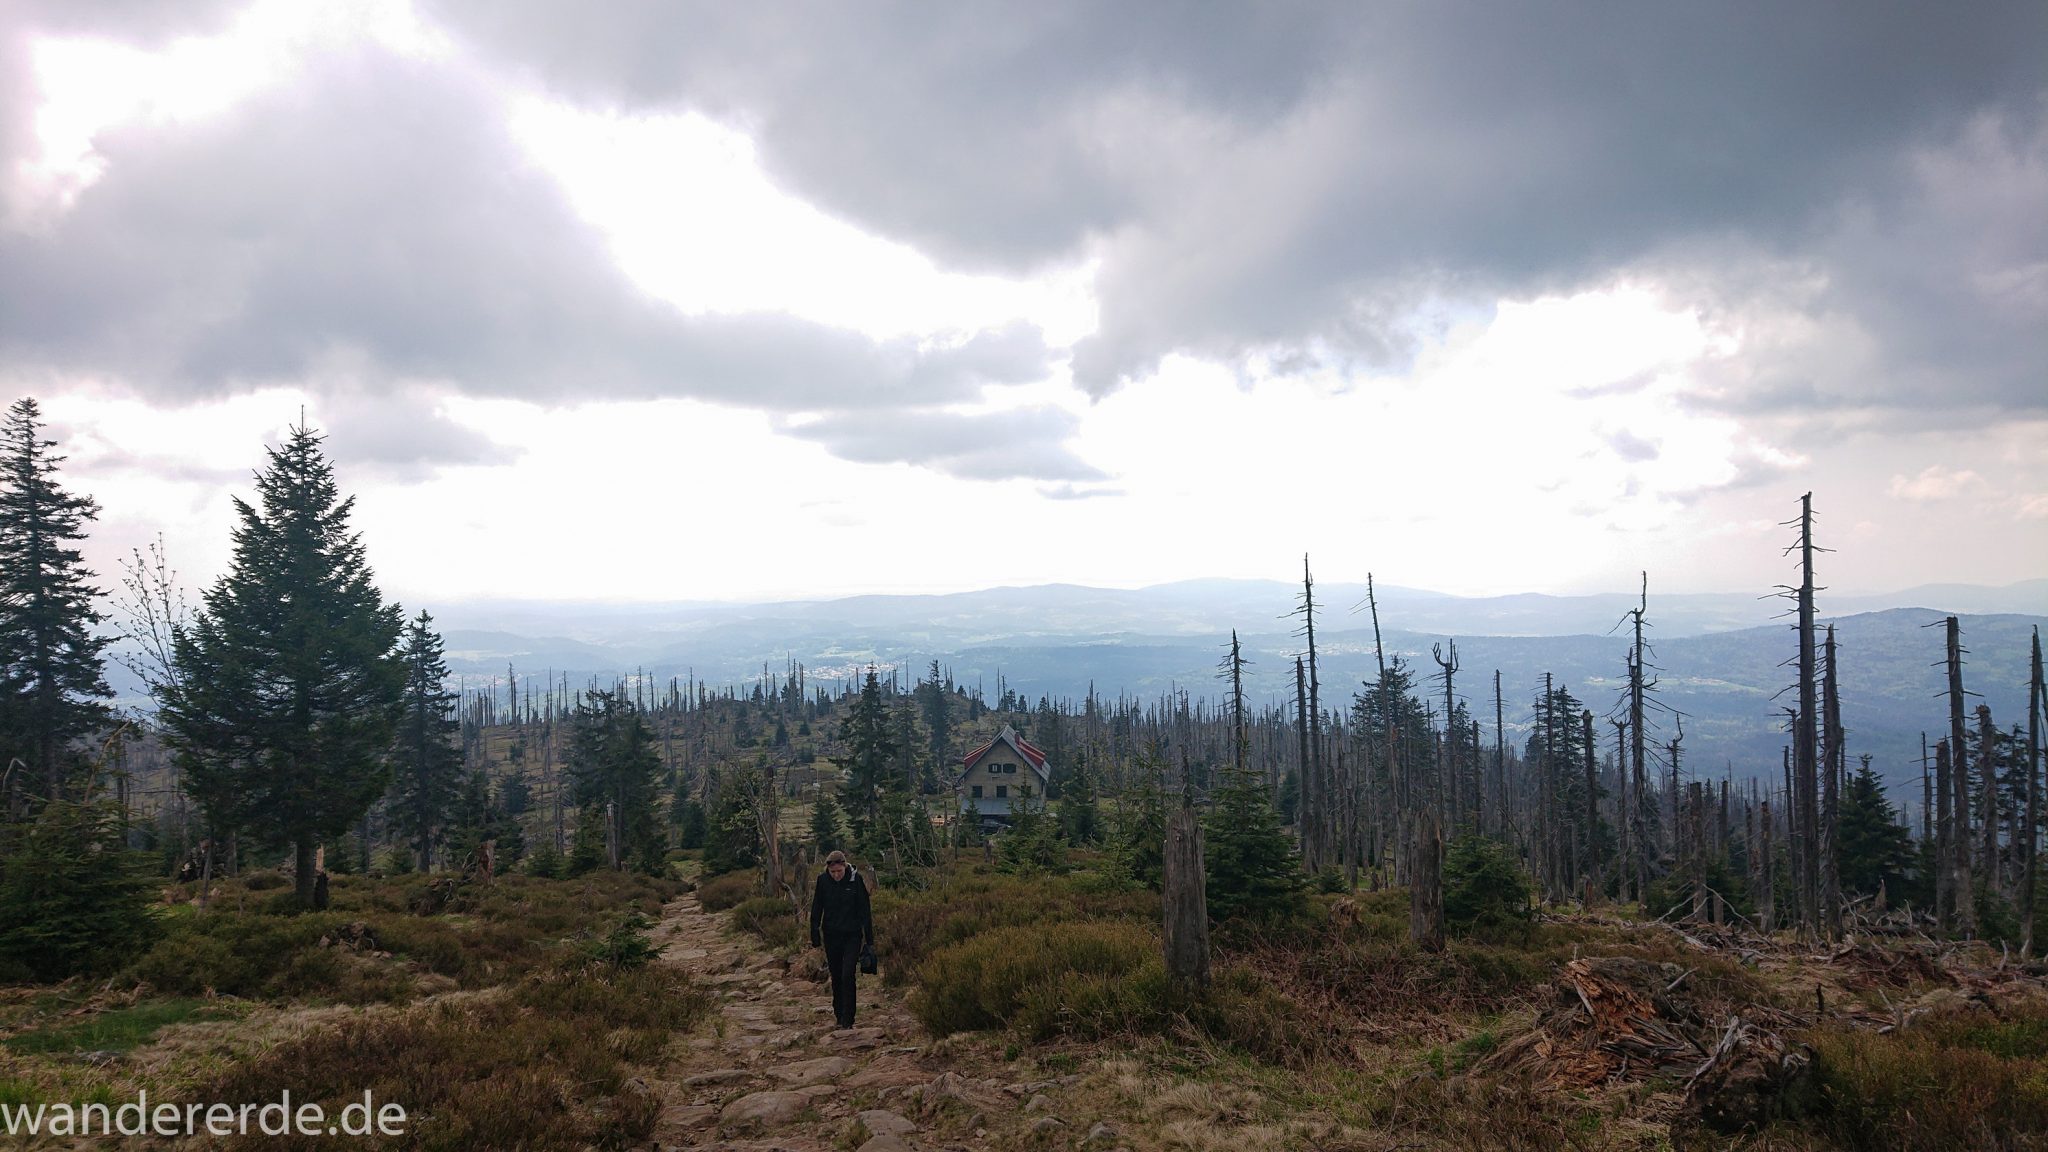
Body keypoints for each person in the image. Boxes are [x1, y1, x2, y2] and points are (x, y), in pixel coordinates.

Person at [808, 849, 874, 1029]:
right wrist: (814, 934)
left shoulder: (855, 880)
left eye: (839, 871)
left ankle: (849, 1018)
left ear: (845, 866)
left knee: (848, 974)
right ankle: (839, 1014)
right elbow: (816, 908)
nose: (836, 875)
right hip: (831, 935)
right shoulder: (823, 881)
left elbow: (865, 911)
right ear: (828, 870)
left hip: (852, 935)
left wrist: (869, 941)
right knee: (836, 976)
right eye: (833, 872)